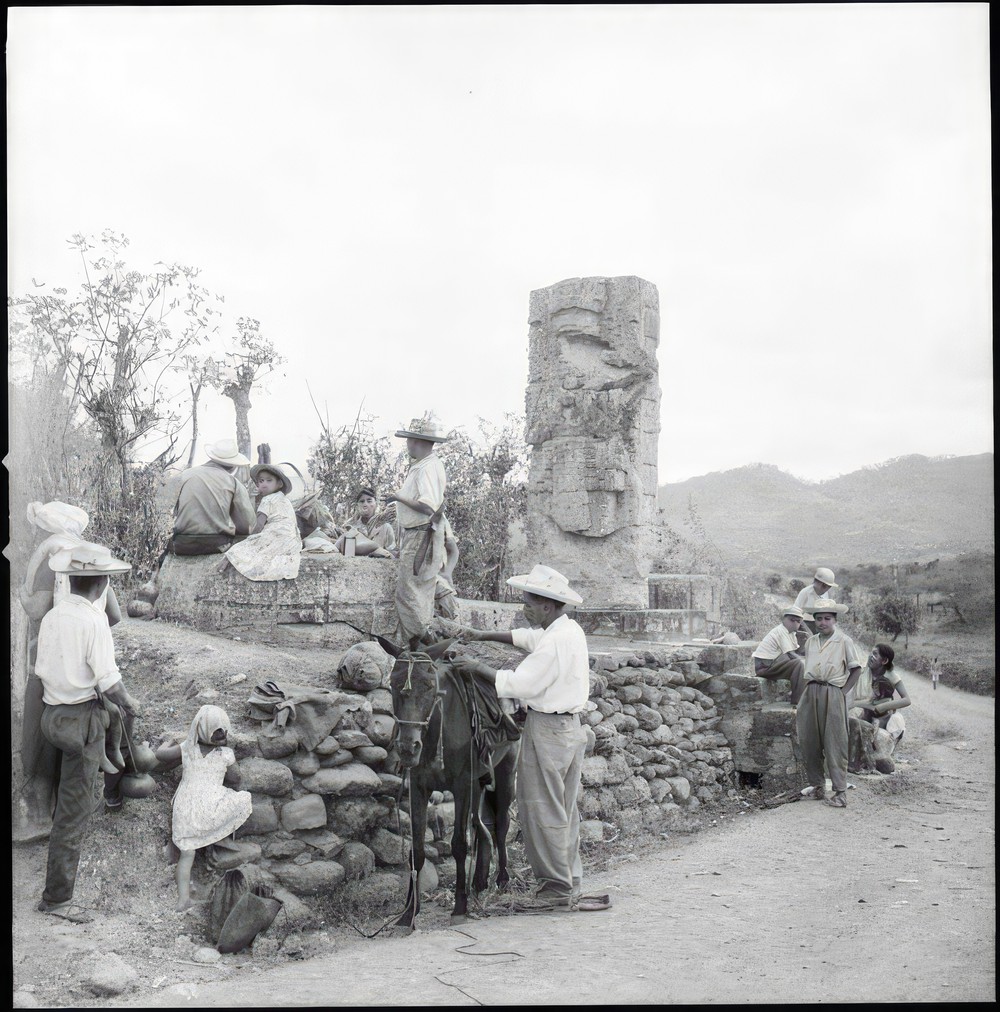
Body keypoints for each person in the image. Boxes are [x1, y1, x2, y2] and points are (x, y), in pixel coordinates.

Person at [452, 565, 605, 912]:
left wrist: (474, 667)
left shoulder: (555, 641)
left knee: (540, 809)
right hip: (568, 728)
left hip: (548, 730)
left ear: (548, 606)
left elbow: (521, 684)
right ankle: (569, 882)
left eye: (530, 604)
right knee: (564, 809)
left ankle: (554, 890)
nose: (525, 609)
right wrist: (480, 635)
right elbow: (527, 638)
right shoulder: (566, 630)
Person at [33, 543, 140, 923]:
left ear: (73, 581)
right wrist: (130, 703)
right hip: (79, 722)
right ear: (102, 584)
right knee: (73, 812)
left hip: (53, 714)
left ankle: (109, 758)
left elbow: (47, 666)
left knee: (66, 796)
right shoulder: (93, 621)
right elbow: (109, 680)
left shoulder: (54, 616)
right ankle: (57, 899)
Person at [17, 503, 126, 838]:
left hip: (51, 665)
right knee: (99, 726)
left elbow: (37, 609)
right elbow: (115, 616)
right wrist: (87, 628)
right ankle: (106, 792)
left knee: (42, 733)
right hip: (89, 667)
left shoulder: (53, 561)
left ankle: (41, 812)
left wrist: (23, 595)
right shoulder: (89, 560)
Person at [157, 705, 252, 911]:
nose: (223, 735)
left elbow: (162, 756)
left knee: (187, 853)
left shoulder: (187, 748)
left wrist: (167, 742)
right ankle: (218, 842)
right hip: (211, 808)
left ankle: (183, 899)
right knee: (243, 799)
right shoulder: (225, 754)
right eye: (219, 732)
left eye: (223, 731)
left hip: (186, 810)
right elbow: (236, 778)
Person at [384, 413, 449, 645]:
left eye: (411, 440)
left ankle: (422, 643)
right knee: (418, 593)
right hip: (420, 534)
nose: (408, 445)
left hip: (420, 535)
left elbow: (427, 505)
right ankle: (420, 643)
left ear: (420, 442)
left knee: (409, 594)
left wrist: (398, 497)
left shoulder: (426, 469)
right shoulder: (426, 465)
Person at [796, 597, 864, 809]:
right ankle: (817, 786)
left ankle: (840, 792)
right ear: (814, 621)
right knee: (809, 740)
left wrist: (842, 693)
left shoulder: (844, 641)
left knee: (835, 742)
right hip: (811, 691)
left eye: (827, 618)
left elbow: (856, 669)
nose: (823, 623)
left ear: (834, 620)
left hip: (833, 692)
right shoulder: (811, 642)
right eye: (819, 619)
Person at [170, 439, 257, 556]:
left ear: (212, 457)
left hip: (182, 545)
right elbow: (246, 526)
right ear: (233, 465)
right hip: (217, 545)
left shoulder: (184, 475)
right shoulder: (233, 482)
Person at [221, 464, 302, 581]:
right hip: (292, 540)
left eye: (269, 481)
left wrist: (250, 538)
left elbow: (258, 526)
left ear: (279, 484)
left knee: (238, 548)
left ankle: (224, 565)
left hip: (277, 534)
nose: (264, 484)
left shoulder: (267, 500)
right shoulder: (284, 499)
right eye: (261, 481)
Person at [850, 643, 910, 736]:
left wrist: (883, 706)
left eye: (875, 654)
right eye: (871, 653)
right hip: (866, 714)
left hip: (884, 717)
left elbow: (906, 700)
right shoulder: (863, 673)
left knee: (878, 737)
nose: (870, 656)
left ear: (885, 660)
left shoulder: (892, 676)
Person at [751, 605, 806, 705]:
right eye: (792, 620)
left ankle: (799, 694)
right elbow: (791, 655)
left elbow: (795, 652)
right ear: (784, 619)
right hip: (764, 667)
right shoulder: (781, 631)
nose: (795, 623)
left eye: (798, 621)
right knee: (799, 664)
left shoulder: (791, 633)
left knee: (802, 664)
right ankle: (798, 701)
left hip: (772, 664)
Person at [335, 487, 396, 556]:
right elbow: (344, 550)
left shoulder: (385, 527)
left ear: (375, 504)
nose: (365, 504)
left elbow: (392, 552)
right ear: (357, 505)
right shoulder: (351, 526)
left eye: (369, 501)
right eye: (362, 501)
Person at [793, 567, 838, 646]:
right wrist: (807, 631)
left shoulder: (828, 594)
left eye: (828, 586)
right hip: (804, 624)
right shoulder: (806, 593)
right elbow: (796, 614)